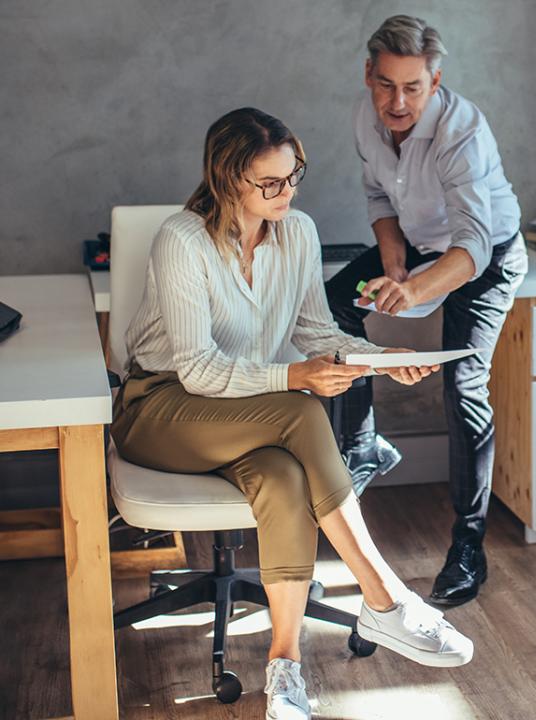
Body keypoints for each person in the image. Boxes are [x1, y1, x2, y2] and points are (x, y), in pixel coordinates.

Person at [112, 107, 473, 720]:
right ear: (228, 179)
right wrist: (294, 377)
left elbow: (315, 332)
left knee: (283, 477)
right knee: (303, 411)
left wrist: (381, 358)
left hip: (244, 410)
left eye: (293, 176)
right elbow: (197, 369)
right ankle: (384, 596)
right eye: (270, 183)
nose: (288, 192)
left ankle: (285, 670)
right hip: (162, 406)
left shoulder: (298, 232)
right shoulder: (182, 240)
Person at [325, 15, 528, 607]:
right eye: (386, 84)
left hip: (483, 258)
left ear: (435, 81)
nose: (397, 101)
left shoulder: (461, 131)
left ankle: (469, 549)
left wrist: (413, 292)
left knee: (463, 386)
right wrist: (393, 260)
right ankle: (361, 444)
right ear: (369, 74)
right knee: (333, 304)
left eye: (413, 87)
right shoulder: (368, 117)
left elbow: (474, 245)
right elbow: (378, 195)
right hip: (420, 243)